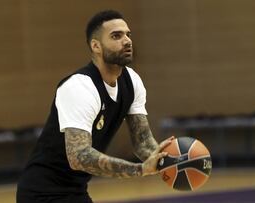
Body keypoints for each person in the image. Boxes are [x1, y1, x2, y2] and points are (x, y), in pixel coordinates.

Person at [16, 10, 173, 203]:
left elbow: (143, 142)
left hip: (76, 190)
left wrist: (170, 161)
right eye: (116, 36)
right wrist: (139, 169)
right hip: (41, 193)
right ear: (96, 46)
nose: (127, 41)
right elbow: (78, 156)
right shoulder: (79, 86)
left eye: (128, 34)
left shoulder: (132, 81)